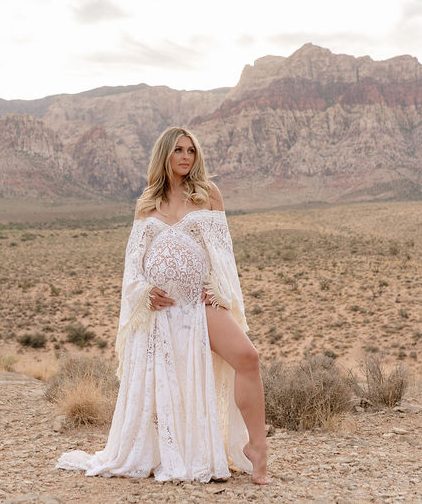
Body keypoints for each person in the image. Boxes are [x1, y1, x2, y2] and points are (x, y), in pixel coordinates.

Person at [57, 126, 269, 484]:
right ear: (164, 156)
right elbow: (133, 264)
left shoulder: (208, 194)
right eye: (178, 150)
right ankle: (168, 448)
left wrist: (221, 291)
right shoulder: (146, 203)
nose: (186, 157)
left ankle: (257, 448)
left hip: (199, 302)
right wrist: (144, 291)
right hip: (162, 311)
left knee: (248, 357)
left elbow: (223, 252)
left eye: (191, 150)